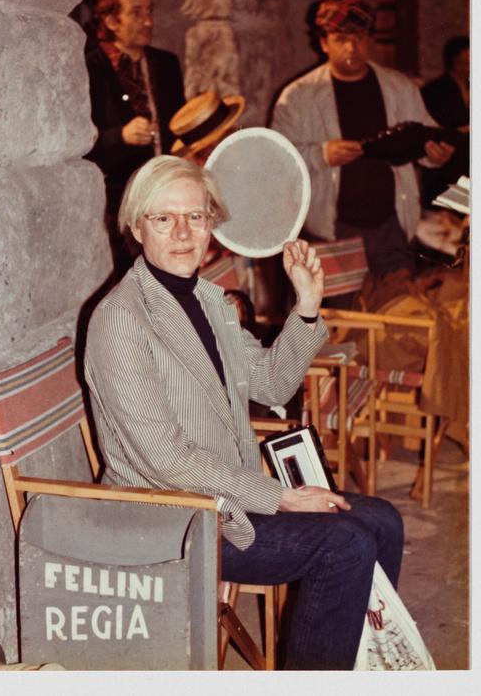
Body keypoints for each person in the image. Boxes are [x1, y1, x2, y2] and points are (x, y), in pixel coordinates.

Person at [85, 155, 404, 670]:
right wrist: (281, 498)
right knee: (343, 543)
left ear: (212, 223)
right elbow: (167, 461)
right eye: (163, 218)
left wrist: (306, 305)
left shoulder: (208, 300)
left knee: (383, 521)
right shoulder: (121, 320)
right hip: (172, 515)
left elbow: (272, 382)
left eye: (197, 216)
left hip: (226, 495)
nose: (184, 232)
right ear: (135, 227)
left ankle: (364, 664)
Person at [271, 0, 455, 295]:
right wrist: (322, 154)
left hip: (391, 227)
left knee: (398, 317)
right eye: (340, 39)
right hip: (332, 231)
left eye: (359, 38)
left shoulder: (399, 87)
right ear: (324, 43)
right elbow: (277, 163)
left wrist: (436, 155)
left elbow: (425, 141)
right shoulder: (298, 96)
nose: (351, 49)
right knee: (343, 325)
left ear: (370, 40)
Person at [84, 0, 186, 277]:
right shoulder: (92, 67)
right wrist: (121, 136)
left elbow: (178, 127)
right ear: (112, 21)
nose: (148, 21)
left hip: (167, 198)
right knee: (131, 284)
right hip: (120, 205)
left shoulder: (166, 64)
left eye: (150, 10)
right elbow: (79, 145)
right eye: (136, 13)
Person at [420, 36, 470, 207]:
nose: (467, 67)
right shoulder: (435, 90)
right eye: (462, 62)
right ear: (453, 61)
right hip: (445, 172)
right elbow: (432, 131)